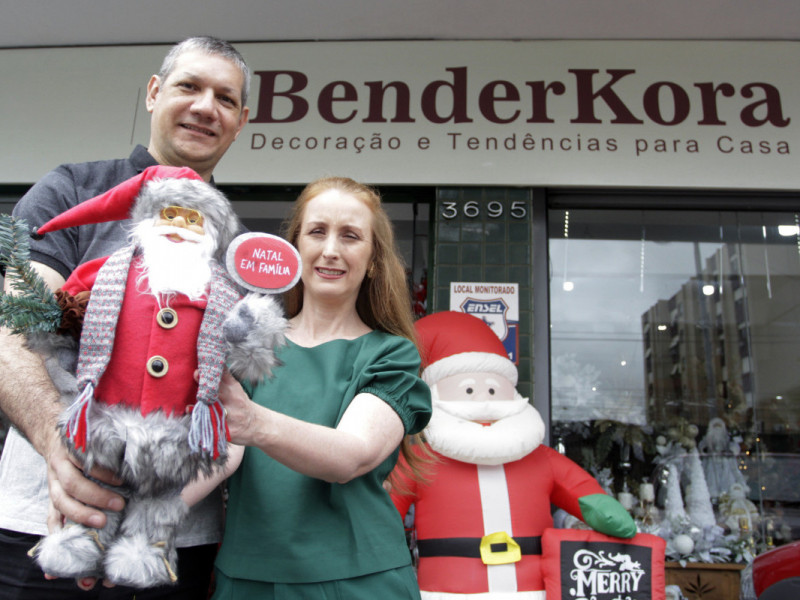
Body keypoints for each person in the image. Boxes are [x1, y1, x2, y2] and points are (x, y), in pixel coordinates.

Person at [0, 36, 250, 599]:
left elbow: (240, 389)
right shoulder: (71, 189)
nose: (206, 107)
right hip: (43, 518)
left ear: (240, 122)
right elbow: (14, 330)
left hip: (176, 542)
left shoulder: (234, 241)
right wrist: (61, 453)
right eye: (189, 86)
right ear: (154, 94)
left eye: (225, 99)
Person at [206, 177, 432, 599]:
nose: (331, 250)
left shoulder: (391, 355)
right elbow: (220, 459)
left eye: (350, 236)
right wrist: (129, 518)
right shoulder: (249, 344)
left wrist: (252, 422)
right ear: (294, 249)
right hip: (248, 580)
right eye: (317, 232)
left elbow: (352, 454)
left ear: (374, 260)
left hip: (361, 582)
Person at [391, 311, 636, 599]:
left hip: (533, 588)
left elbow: (582, 493)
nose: (484, 402)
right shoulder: (419, 459)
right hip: (447, 590)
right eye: (468, 390)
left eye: (493, 389)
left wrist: (608, 513)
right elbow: (382, 514)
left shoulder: (541, 459)